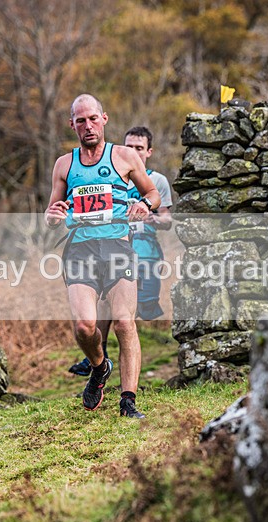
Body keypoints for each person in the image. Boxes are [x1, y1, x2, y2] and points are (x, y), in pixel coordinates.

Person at [45, 94, 161, 419]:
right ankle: (99, 366)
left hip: (118, 248)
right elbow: (52, 212)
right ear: (72, 125)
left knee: (125, 322)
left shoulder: (124, 157)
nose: (88, 126)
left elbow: (152, 192)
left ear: (104, 119)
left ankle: (128, 402)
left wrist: (144, 205)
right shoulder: (64, 165)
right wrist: (52, 215)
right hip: (80, 249)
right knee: (84, 327)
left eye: (93, 118)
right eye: (80, 121)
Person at [68, 126, 173, 377]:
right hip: (113, 247)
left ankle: (141, 360)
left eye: (139, 148)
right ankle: (97, 358)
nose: (133, 151)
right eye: (129, 146)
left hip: (144, 251)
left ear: (149, 151)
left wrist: (150, 215)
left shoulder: (156, 181)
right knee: (104, 303)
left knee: (130, 316)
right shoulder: (114, 171)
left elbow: (167, 219)